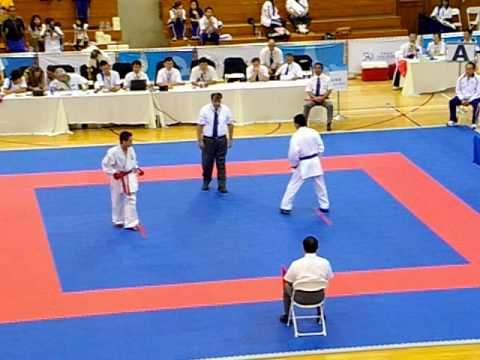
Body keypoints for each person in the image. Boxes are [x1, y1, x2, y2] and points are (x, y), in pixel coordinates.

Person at [280, 113, 329, 214]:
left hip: (303, 163)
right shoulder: (314, 132)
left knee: (293, 185)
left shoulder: (296, 136)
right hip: (315, 161)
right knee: (320, 185)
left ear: (296, 124)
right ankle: (324, 205)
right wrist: (317, 158)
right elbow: (321, 147)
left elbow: (293, 153)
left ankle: (286, 206)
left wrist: (294, 165)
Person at [280, 236, 334, 324]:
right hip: (318, 297)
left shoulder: (296, 264)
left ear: (303, 248)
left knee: (286, 286)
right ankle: (320, 314)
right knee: (320, 285)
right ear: (317, 248)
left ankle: (288, 317)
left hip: (299, 298)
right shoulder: (325, 262)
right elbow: (328, 277)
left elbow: (288, 280)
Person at [101, 131, 143, 230]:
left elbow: (133, 161)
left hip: (129, 176)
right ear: (123, 141)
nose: (132, 143)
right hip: (118, 178)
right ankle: (118, 220)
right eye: (130, 141)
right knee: (116, 199)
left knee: (131, 199)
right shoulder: (112, 152)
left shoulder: (131, 149)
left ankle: (131, 222)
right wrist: (114, 173)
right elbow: (105, 165)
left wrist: (137, 168)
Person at [197, 92, 234, 193]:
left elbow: (230, 125)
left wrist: (230, 139)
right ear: (211, 100)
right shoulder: (204, 110)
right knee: (207, 163)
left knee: (221, 163)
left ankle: (222, 185)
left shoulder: (226, 110)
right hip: (208, 140)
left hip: (221, 140)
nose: (217, 103)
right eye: (215, 101)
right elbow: (199, 126)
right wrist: (199, 140)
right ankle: (206, 180)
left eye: (219, 101)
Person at [447, 61, 480, 130]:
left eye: (470, 69)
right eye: (466, 69)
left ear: (474, 70)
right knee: (452, 102)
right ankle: (453, 120)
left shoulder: (478, 79)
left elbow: (478, 92)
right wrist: (462, 99)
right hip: (463, 98)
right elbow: (458, 90)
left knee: (476, 104)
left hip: (474, 98)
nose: (468, 71)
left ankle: (474, 123)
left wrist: (469, 100)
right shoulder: (461, 78)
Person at [303, 63, 333, 131]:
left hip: (324, 98)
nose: (317, 69)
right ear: (313, 69)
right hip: (314, 98)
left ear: (322, 69)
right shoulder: (311, 79)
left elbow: (329, 90)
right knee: (306, 106)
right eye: (315, 68)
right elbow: (308, 91)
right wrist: (314, 98)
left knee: (330, 105)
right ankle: (304, 124)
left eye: (319, 68)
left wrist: (323, 98)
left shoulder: (327, 79)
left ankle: (329, 123)